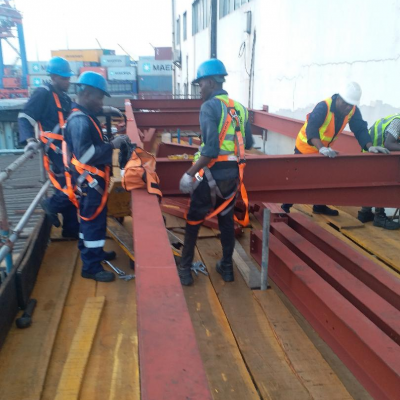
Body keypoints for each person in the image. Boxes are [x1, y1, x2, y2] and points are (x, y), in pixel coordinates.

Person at [178, 59, 253, 286]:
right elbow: (247, 142)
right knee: (226, 219)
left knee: (194, 218)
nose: (199, 89)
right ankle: (227, 268)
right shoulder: (240, 108)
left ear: (210, 82)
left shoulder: (209, 107)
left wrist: (190, 173)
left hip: (208, 175)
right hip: (232, 176)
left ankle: (184, 269)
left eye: (200, 84)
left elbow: (209, 150)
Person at [281, 82, 389, 215]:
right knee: (299, 180)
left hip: (324, 150)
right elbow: (312, 128)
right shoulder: (323, 107)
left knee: (325, 178)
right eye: (345, 103)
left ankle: (319, 206)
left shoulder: (352, 110)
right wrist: (320, 148)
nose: (348, 107)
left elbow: (360, 129)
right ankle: (284, 208)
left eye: (351, 104)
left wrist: (369, 146)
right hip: (306, 148)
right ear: (338, 98)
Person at [64, 72, 129, 282]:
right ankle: (90, 267)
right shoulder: (81, 120)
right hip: (90, 183)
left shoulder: (85, 117)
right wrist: (112, 145)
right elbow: (85, 155)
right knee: (92, 221)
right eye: (99, 98)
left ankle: (95, 254)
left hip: (91, 182)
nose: (101, 103)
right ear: (86, 93)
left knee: (91, 222)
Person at [18, 57, 80, 238]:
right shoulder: (43, 93)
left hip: (66, 147)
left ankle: (70, 230)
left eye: (68, 78)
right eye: (64, 78)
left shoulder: (64, 97)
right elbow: (25, 117)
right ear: (53, 76)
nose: (68, 81)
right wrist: (29, 140)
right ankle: (52, 205)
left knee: (64, 184)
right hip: (56, 148)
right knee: (73, 181)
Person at [357, 114, 400, 230]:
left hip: (374, 151)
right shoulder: (398, 122)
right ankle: (379, 216)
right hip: (376, 151)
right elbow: (389, 144)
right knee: (383, 182)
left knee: (373, 181)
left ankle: (365, 213)